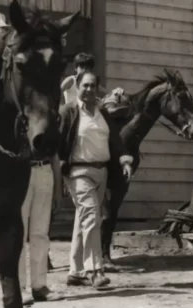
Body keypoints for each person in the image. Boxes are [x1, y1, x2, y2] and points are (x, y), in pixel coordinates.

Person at [57, 71, 133, 289]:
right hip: (79, 172)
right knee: (92, 216)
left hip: (101, 172)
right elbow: (60, 143)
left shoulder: (103, 113)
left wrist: (125, 160)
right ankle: (94, 270)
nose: (89, 89)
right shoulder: (68, 111)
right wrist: (61, 170)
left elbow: (115, 139)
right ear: (78, 86)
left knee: (84, 220)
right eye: (85, 85)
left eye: (93, 85)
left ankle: (75, 272)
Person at [18, 153, 65, 305]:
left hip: (44, 169)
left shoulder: (49, 128)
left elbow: (55, 155)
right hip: (20, 169)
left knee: (40, 232)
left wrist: (58, 188)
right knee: (19, 232)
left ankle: (39, 286)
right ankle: (18, 287)